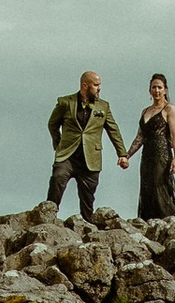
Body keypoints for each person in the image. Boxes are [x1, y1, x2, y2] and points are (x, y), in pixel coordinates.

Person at [44, 71, 129, 216]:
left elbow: (113, 130)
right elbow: (52, 125)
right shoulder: (65, 102)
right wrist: (59, 146)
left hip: (90, 159)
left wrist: (122, 154)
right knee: (57, 179)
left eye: (99, 85)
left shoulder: (103, 106)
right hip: (67, 156)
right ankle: (48, 216)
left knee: (87, 202)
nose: (99, 88)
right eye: (96, 85)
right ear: (85, 85)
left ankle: (87, 226)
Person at [132, 71, 175, 226]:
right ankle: (149, 223)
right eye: (154, 87)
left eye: (159, 87)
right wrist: (125, 155)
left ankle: (173, 224)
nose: (156, 90)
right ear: (149, 90)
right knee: (147, 188)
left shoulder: (170, 110)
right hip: (146, 155)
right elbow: (139, 137)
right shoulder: (145, 111)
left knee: (160, 189)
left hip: (162, 155)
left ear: (165, 90)